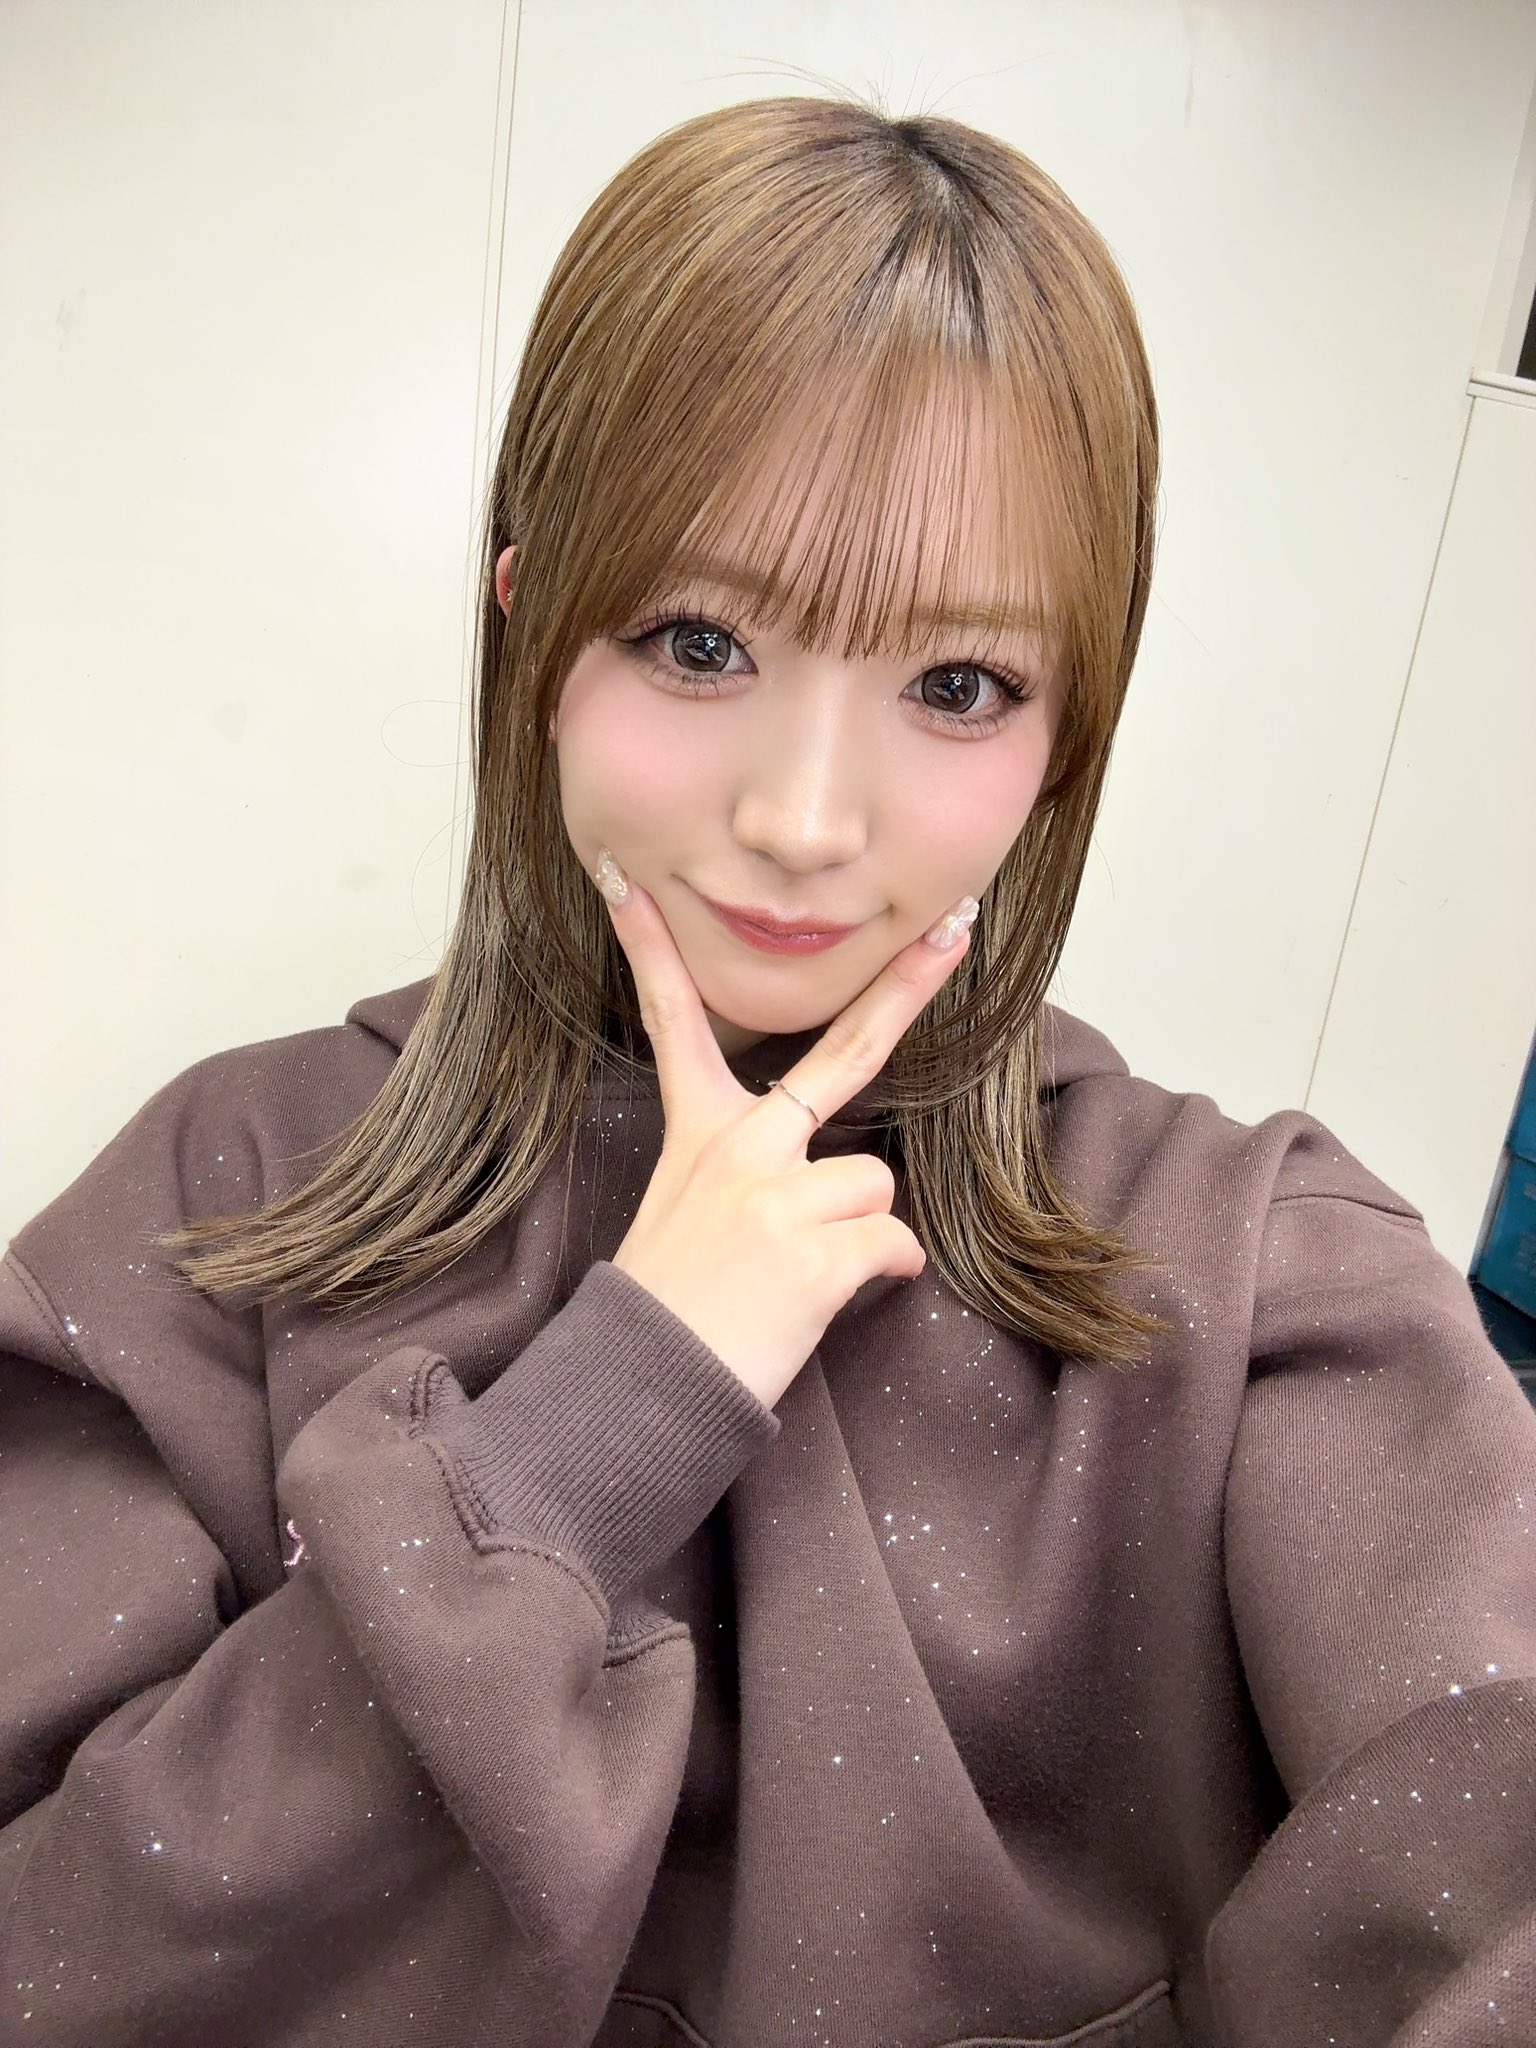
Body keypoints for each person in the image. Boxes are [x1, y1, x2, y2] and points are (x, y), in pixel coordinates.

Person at [2, 91, 1531, 2048]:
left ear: (1067, 731)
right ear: (529, 621)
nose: (804, 817)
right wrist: (590, 1435)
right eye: (698, 641)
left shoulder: (1257, 1278)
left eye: (956, 685)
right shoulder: (219, 1206)